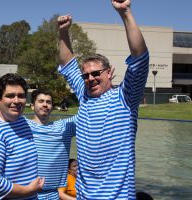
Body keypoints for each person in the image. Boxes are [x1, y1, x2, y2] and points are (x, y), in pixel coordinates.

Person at [58, 0, 149, 199]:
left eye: (96, 73)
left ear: (109, 73)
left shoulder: (126, 97)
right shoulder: (84, 94)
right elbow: (67, 63)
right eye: (86, 75)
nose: (90, 78)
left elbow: (140, 57)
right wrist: (63, 32)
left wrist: (125, 13)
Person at [0, 56, 76, 199]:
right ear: (32, 105)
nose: (16, 101)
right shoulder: (9, 127)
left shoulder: (22, 123)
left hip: (50, 193)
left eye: (21, 96)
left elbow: (88, 117)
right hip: (27, 193)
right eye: (41, 101)